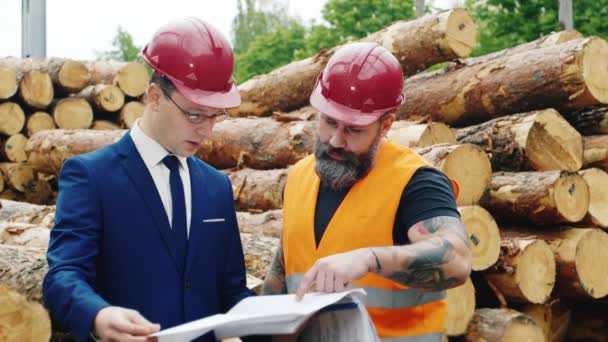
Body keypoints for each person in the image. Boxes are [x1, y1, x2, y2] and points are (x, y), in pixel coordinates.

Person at [43, 18, 256, 342]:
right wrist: (97, 315)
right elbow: (63, 275)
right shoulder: (91, 176)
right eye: (195, 114)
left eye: (215, 116)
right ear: (154, 96)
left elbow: (231, 291)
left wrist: (281, 322)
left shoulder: (216, 187)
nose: (206, 130)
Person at [263, 42, 472, 341]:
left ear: (386, 125)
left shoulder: (417, 182)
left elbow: (458, 261)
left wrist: (368, 259)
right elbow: (283, 268)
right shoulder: (299, 176)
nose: (335, 140)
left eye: (353, 130)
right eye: (329, 122)